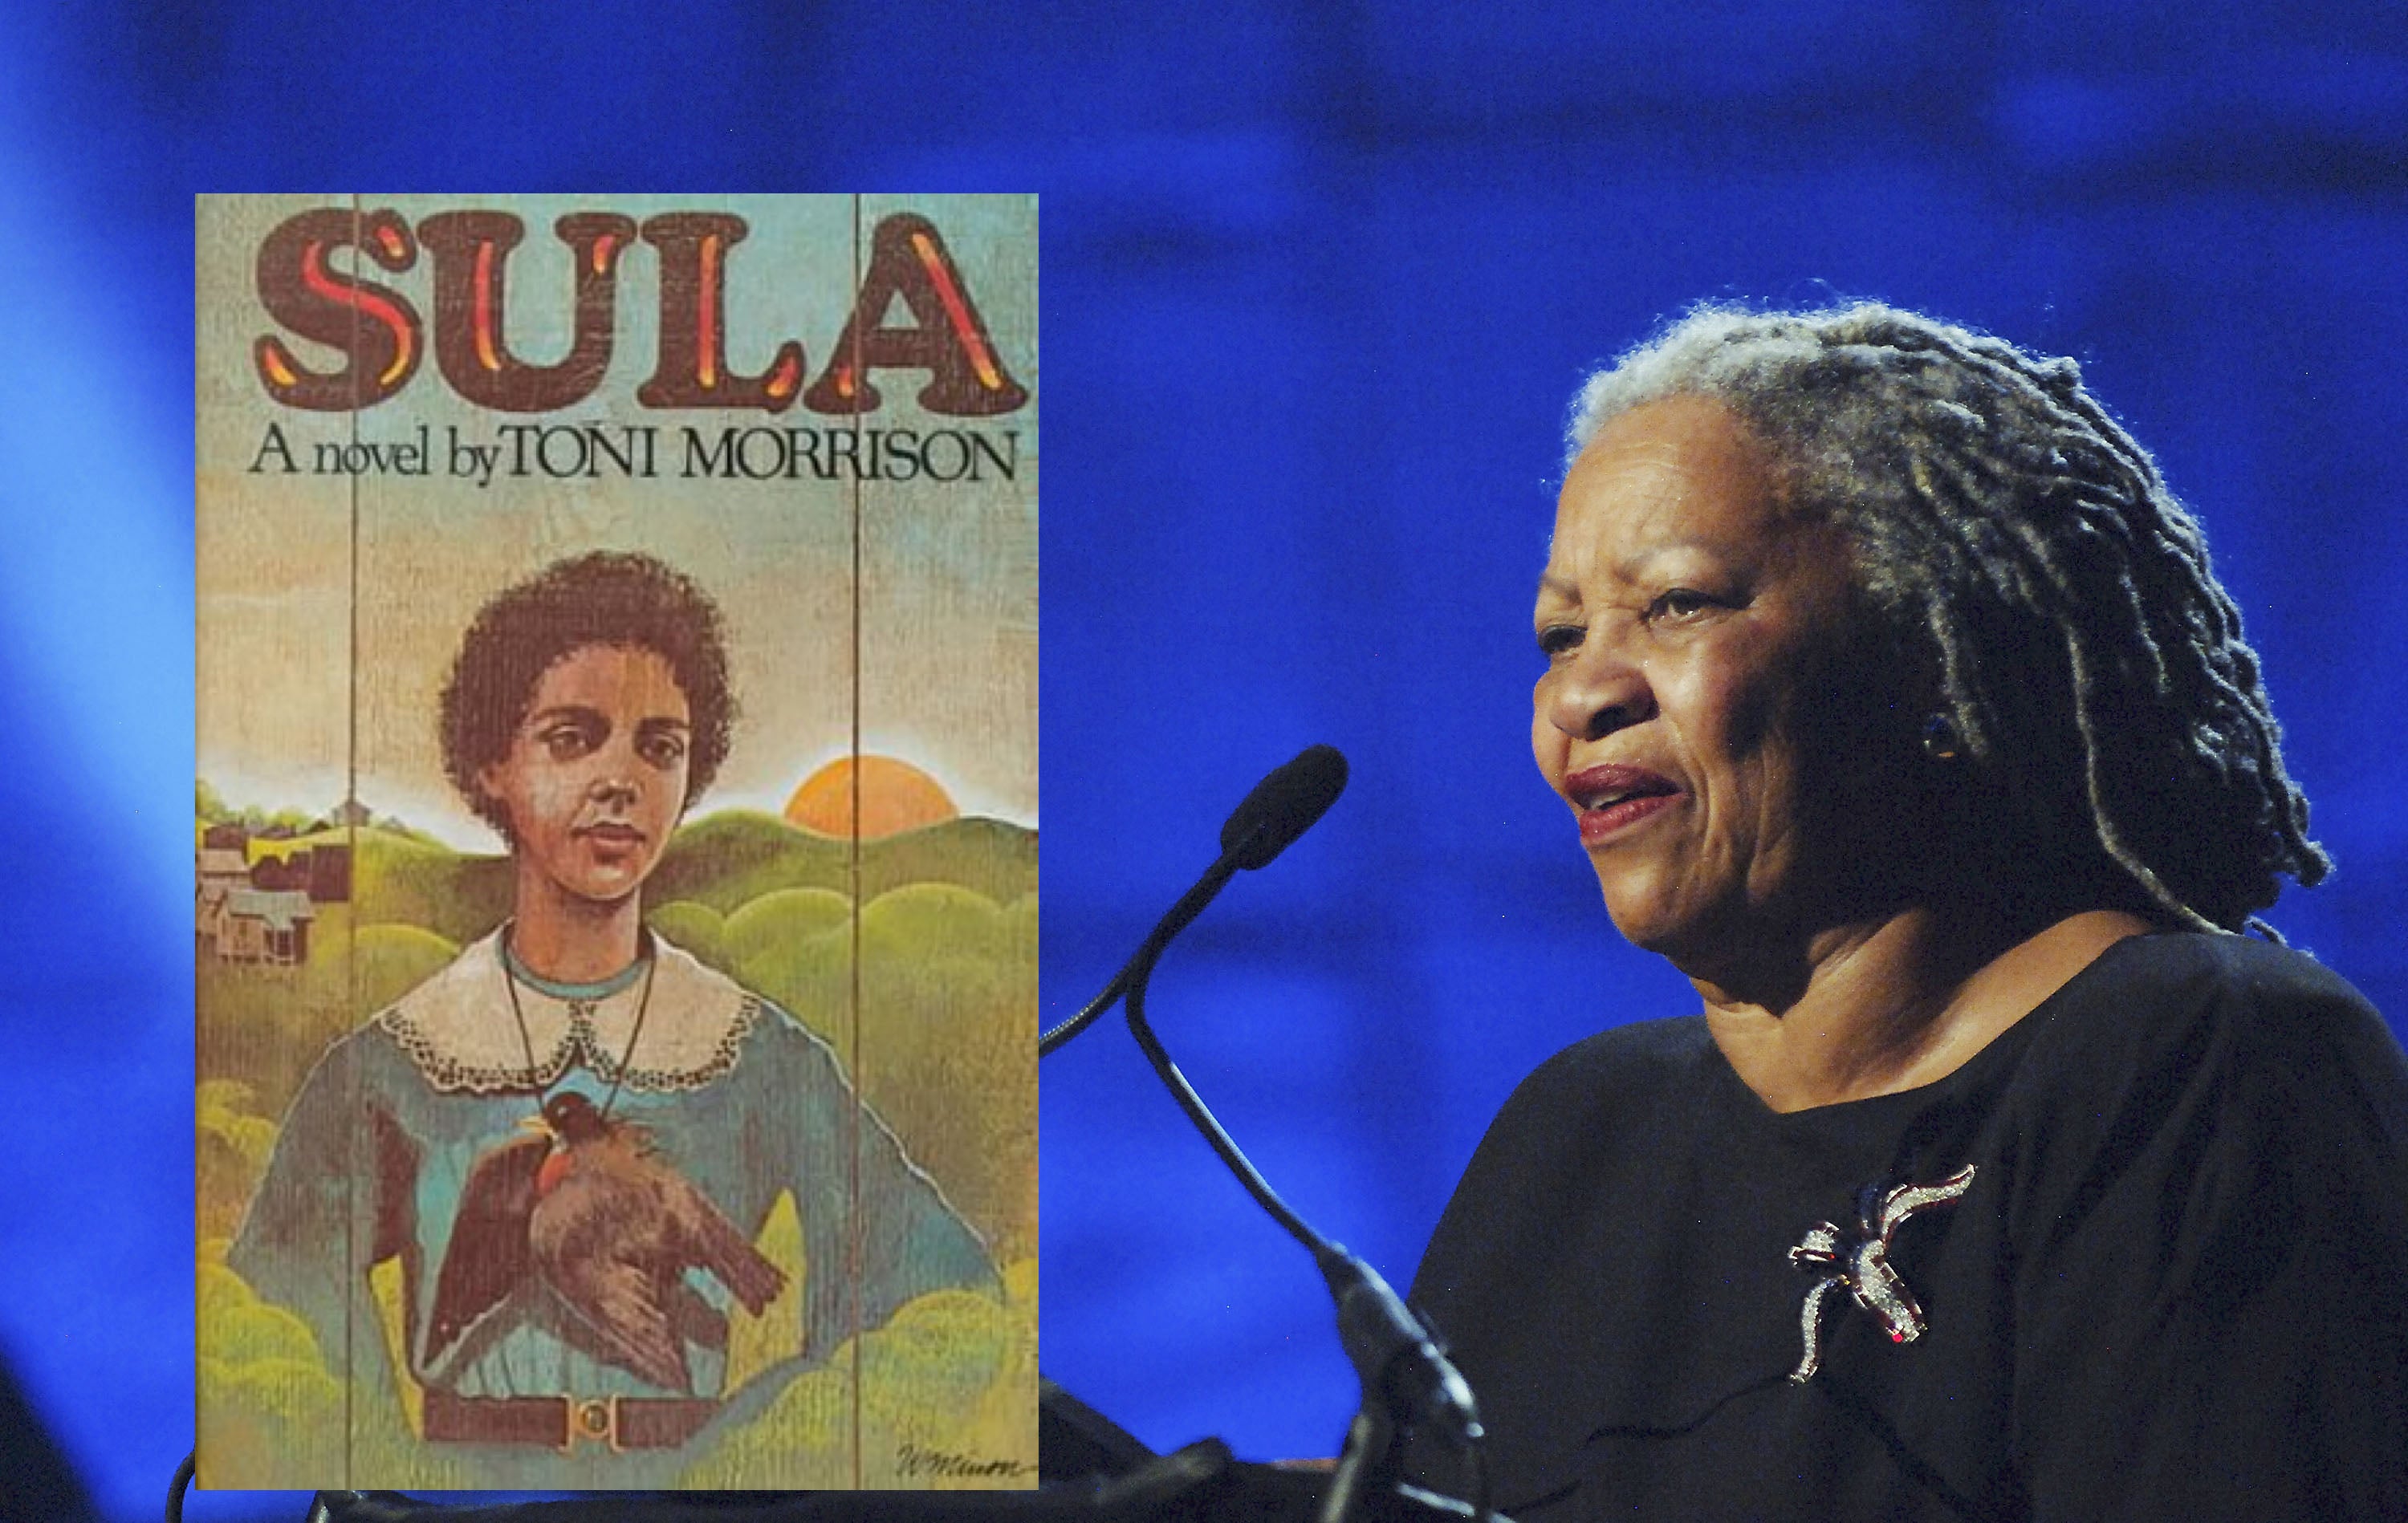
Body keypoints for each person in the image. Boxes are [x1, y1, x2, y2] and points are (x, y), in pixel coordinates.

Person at [1406, 305, 2408, 1520]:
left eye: (1680, 603)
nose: (1584, 693)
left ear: (1932, 649)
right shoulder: (1574, 1137)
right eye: (1562, 633)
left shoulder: (2200, 1060)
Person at [227, 550, 995, 1485]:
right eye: (571, 737)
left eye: (660, 746)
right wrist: (385, 1474)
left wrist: (764, 1441)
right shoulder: (392, 1061)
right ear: (491, 763)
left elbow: (928, 1281)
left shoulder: (759, 1053)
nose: (622, 779)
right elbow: (285, 1307)